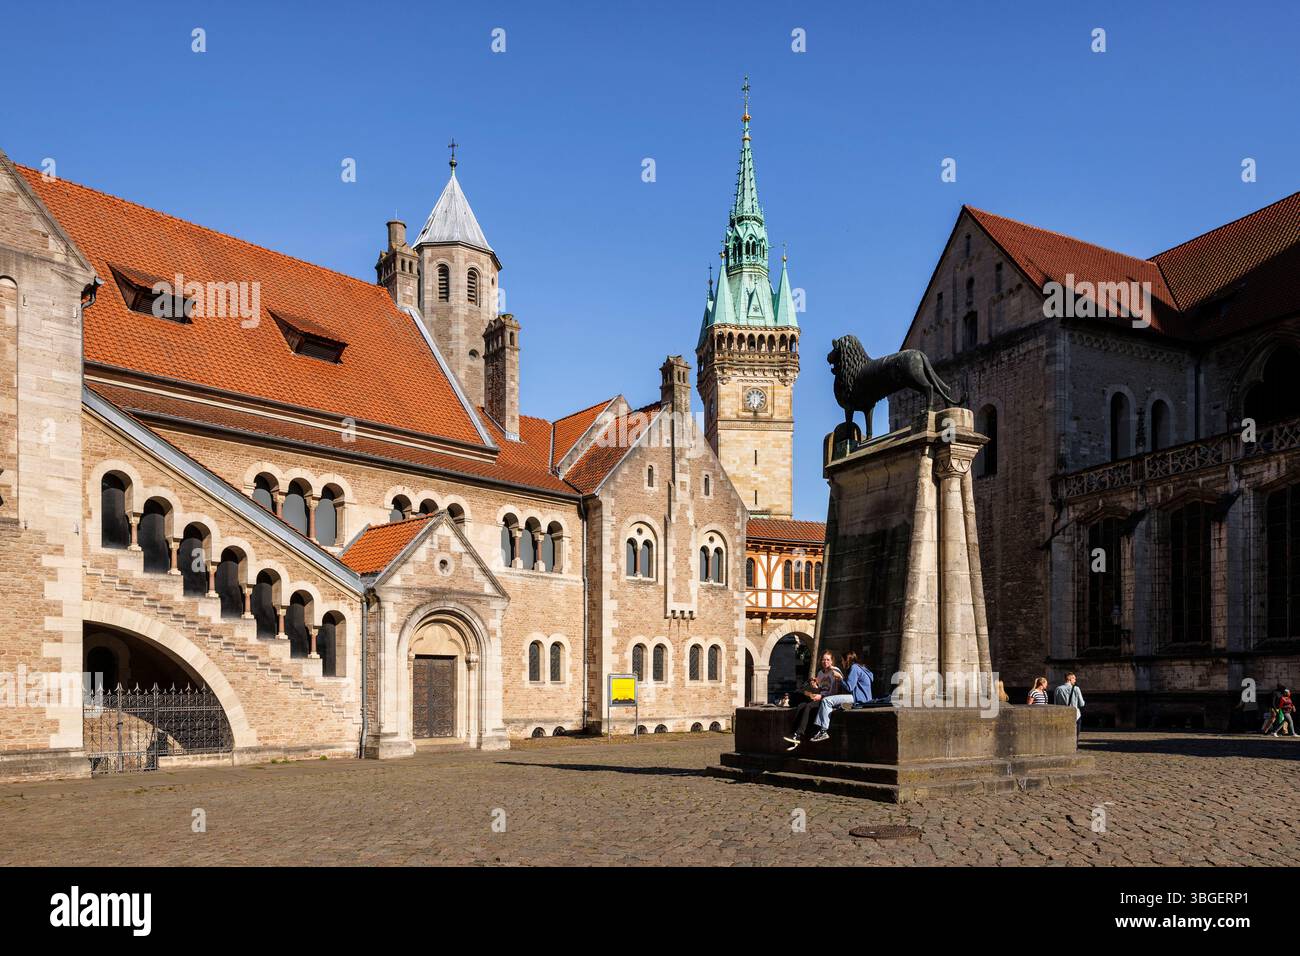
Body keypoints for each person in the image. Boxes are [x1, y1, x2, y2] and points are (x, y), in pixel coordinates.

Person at [783, 651, 844, 750]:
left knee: (809, 706)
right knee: (801, 705)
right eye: (823, 659)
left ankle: (798, 734)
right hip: (819, 697)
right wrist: (815, 687)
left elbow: (834, 692)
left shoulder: (835, 671)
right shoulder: (820, 673)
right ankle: (793, 734)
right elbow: (820, 688)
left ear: (832, 661)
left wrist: (821, 696)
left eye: (828, 659)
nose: (825, 662)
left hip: (828, 700)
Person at [809, 651, 874, 743]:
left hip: (858, 699)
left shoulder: (854, 667)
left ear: (847, 660)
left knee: (826, 701)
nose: (842, 663)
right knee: (835, 705)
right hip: (864, 698)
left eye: (842, 660)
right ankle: (824, 726)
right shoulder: (862, 667)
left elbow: (849, 687)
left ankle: (823, 731)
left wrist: (840, 678)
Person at [1054, 672, 1085, 741]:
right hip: (1075, 715)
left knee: (1063, 734)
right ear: (1070, 679)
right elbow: (1082, 704)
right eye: (1074, 679)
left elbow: (1055, 704)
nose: (1075, 680)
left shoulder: (1058, 689)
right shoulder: (1076, 689)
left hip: (1062, 715)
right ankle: (1074, 747)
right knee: (1075, 735)